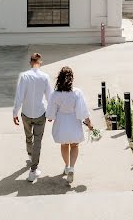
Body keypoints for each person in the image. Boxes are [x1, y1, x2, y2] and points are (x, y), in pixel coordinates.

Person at [46, 66, 93, 184]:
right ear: (71, 78)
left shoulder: (55, 94)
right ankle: (72, 168)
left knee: (64, 145)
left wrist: (51, 117)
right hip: (73, 122)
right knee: (74, 146)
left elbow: (51, 112)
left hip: (61, 122)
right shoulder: (77, 92)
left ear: (59, 78)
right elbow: (83, 110)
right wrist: (89, 122)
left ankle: (66, 166)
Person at [13, 52, 52, 182]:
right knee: (38, 141)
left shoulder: (24, 76)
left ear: (30, 62)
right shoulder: (45, 77)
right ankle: (33, 169)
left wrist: (15, 113)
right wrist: (51, 113)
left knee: (28, 137)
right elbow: (49, 97)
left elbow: (19, 96)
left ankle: (31, 156)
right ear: (40, 63)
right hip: (41, 113)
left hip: (26, 113)